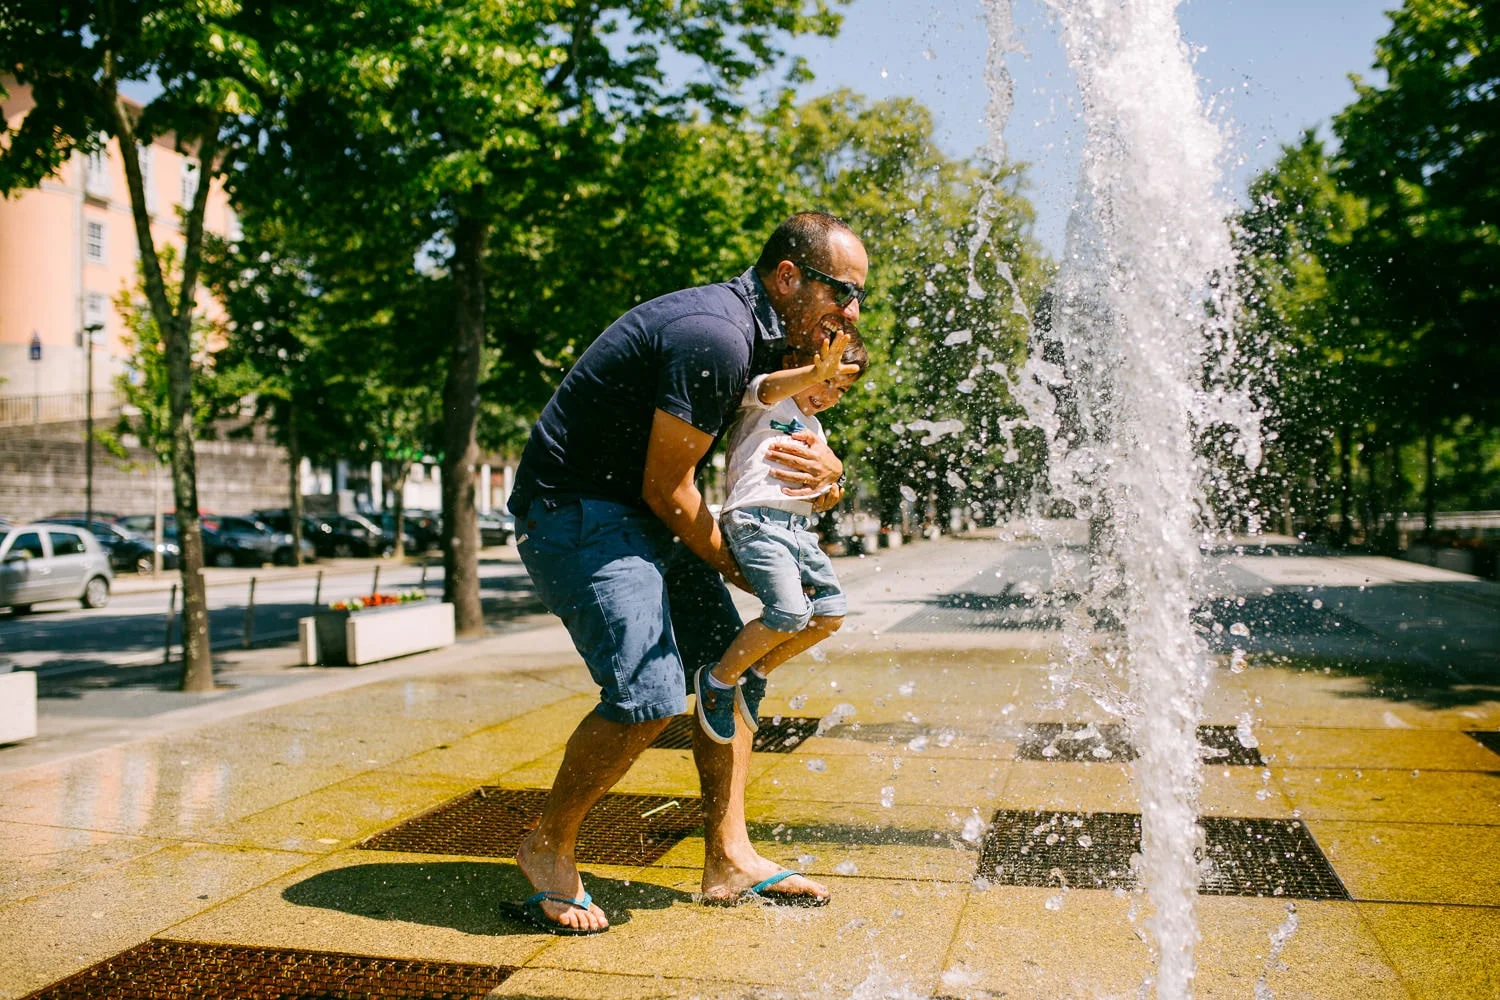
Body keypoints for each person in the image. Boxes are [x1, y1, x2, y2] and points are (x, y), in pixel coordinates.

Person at [506, 212, 868, 934]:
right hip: (578, 511)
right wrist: (755, 575)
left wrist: (832, 480)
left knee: (732, 667)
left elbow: (774, 457)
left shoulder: (764, 345)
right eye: (843, 292)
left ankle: (729, 859)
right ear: (789, 277)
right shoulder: (715, 333)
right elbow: (669, 490)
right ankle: (546, 847)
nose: (851, 313)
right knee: (647, 695)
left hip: (643, 509)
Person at [695, 319, 868, 745]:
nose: (829, 396)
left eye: (840, 390)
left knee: (830, 613)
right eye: (827, 380)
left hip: (798, 529)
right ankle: (718, 682)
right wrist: (812, 374)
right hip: (755, 522)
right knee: (789, 613)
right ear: (798, 364)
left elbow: (821, 482)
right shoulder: (768, 399)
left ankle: (757, 670)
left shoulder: (817, 429)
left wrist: (829, 492)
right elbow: (769, 388)